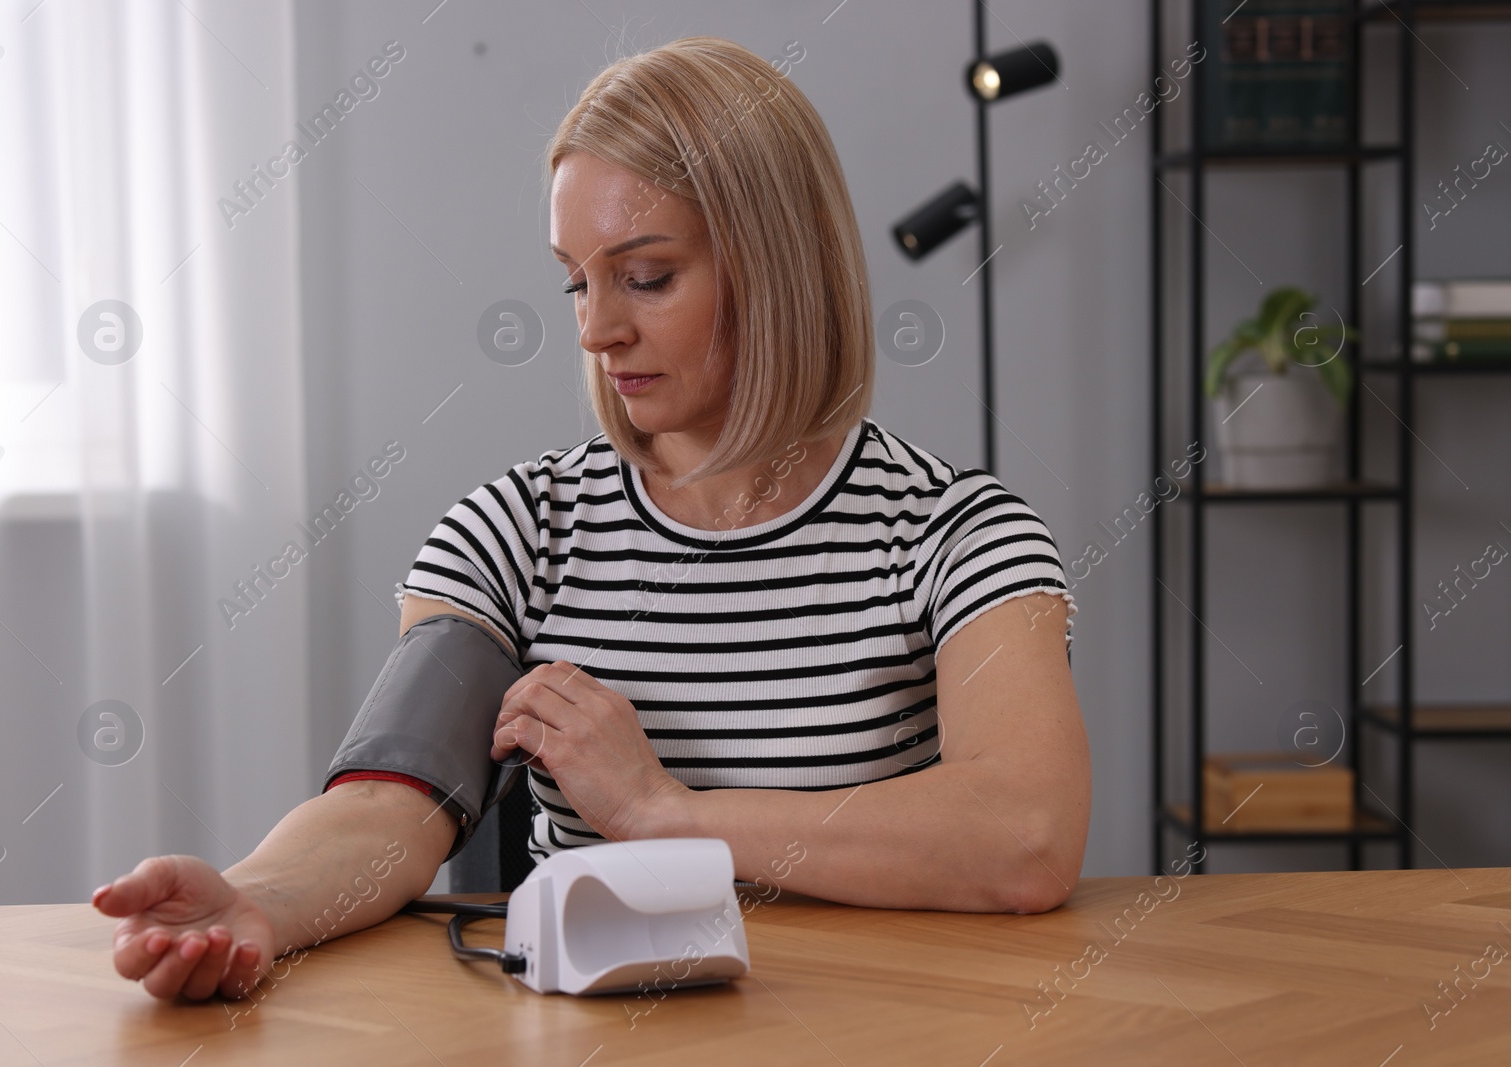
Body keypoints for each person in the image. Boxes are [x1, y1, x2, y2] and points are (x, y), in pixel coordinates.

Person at [94, 35, 1090, 1002]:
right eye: (577, 279)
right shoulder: (513, 532)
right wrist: (260, 900)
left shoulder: (961, 534)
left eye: (646, 276)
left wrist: (668, 812)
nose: (593, 327)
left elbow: (1024, 836)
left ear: (779, 264)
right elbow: (383, 807)